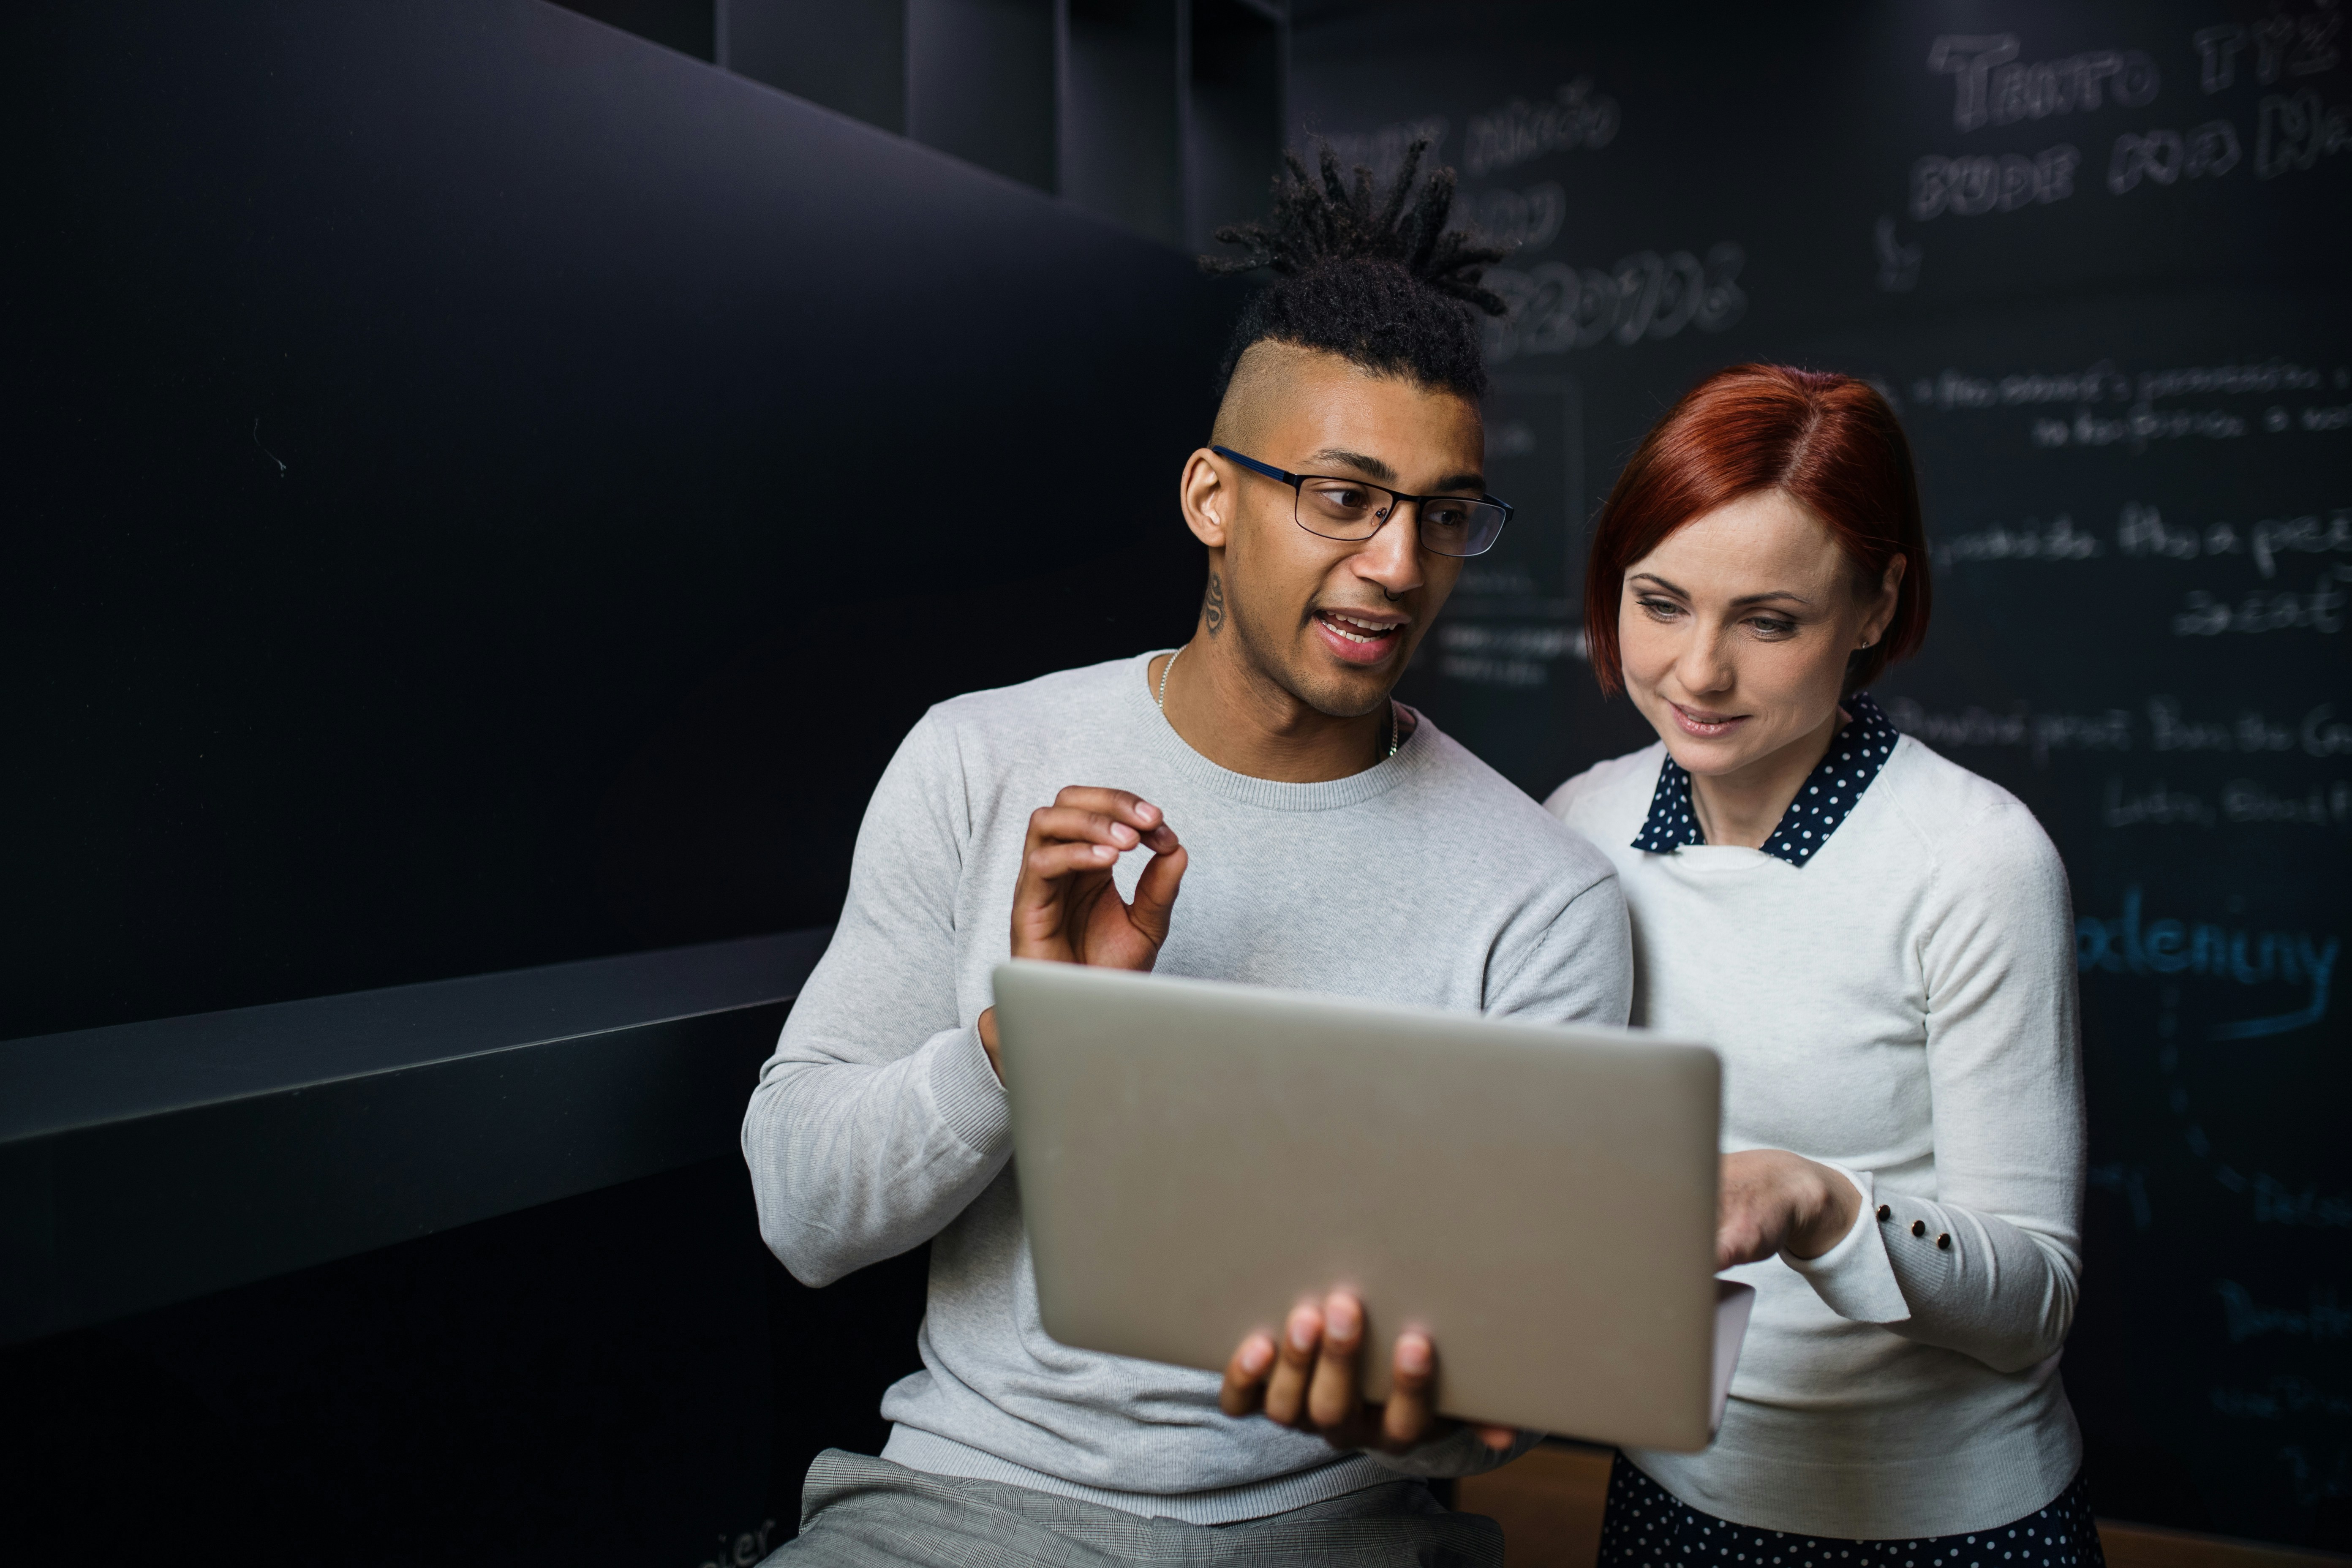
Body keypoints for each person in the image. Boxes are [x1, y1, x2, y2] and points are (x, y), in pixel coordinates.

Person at [742, 144, 1633, 1568]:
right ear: (1213, 500)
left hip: (1338, 1528)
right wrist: (1023, 1038)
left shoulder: (1541, 896)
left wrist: (1421, 1409)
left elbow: (1507, 1391)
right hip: (966, 1510)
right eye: (1343, 498)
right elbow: (802, 1214)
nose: (1400, 565)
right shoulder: (982, 760)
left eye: (1442, 513)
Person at [1546, 364, 2100, 1566]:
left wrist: (1824, 1204)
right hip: (1671, 1495)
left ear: (1874, 606)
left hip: (1950, 1526)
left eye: (1769, 620)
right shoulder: (1580, 827)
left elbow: (2038, 1303)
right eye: (1660, 601)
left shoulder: (1976, 861)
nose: (1698, 672)